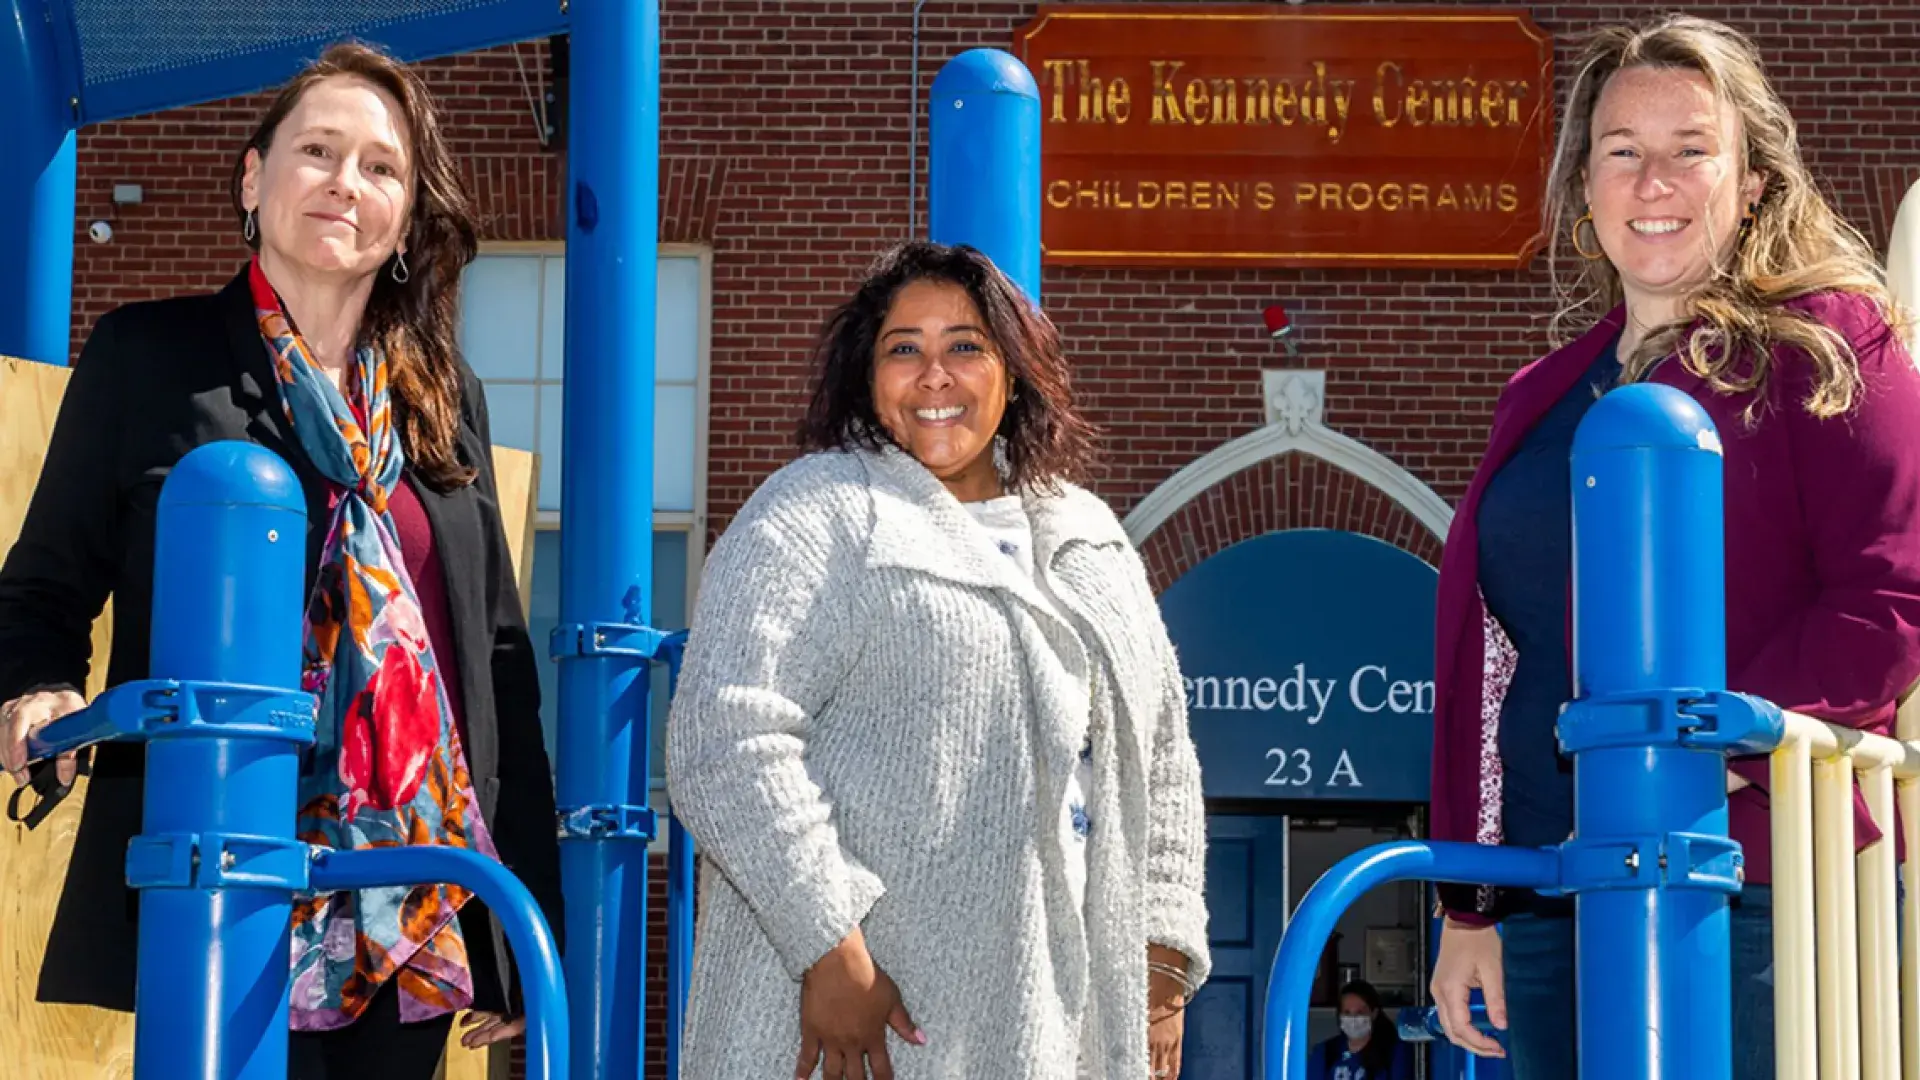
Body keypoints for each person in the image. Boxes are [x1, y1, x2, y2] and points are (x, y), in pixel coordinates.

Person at [0, 42, 563, 1078]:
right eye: (318, 151)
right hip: (223, 877)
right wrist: (37, 688)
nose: (346, 183)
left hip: (414, 895)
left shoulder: (447, 400)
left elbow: (496, 667)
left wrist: (531, 930)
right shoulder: (148, 358)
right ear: (255, 180)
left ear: (404, 219)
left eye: (381, 167)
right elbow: (41, 589)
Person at [1426, 15, 1920, 1080]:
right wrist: (1471, 899)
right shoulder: (1541, 394)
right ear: (1584, 188)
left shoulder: (1832, 346)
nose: (1655, 180)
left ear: (1750, 181)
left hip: (1753, 893)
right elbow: (1494, 658)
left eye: (1691, 148)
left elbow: (1889, 603)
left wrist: (1678, 750)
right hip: (1558, 893)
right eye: (1622, 151)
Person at [665, 240, 1210, 1080]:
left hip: (1062, 1027)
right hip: (869, 1023)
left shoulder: (1092, 537)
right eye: (902, 348)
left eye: (964, 345)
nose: (933, 375)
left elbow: (1162, 753)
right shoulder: (817, 514)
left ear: (1015, 371)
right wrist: (827, 942)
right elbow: (726, 735)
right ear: (866, 373)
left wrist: (1164, 958)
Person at [1307, 981, 1412, 1080]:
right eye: (1347, 1013)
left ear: (1374, 1013)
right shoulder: (1325, 1052)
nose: (1353, 1018)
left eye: (1360, 1012)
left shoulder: (1394, 1053)